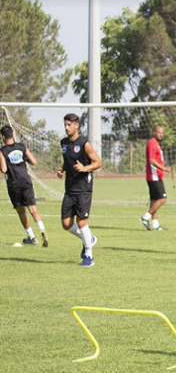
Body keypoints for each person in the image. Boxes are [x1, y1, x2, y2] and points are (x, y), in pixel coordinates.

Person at [57, 113, 102, 267]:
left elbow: (98, 162)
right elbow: (68, 159)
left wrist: (84, 168)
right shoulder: (63, 143)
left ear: (76, 125)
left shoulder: (85, 144)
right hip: (69, 189)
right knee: (66, 224)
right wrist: (62, 169)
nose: (66, 127)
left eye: (69, 125)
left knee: (81, 221)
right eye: (65, 125)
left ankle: (89, 257)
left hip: (83, 188)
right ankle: (89, 239)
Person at [0, 125, 49, 247]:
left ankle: (32, 237)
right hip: (26, 181)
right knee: (33, 209)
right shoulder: (22, 146)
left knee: (21, 212)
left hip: (14, 184)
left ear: (3, 137)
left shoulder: (2, 151)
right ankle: (42, 230)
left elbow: (4, 169)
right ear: (12, 134)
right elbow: (33, 161)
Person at [140, 124, 172, 231]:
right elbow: (151, 160)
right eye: (159, 132)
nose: (161, 134)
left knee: (154, 201)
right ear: (154, 132)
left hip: (156, 175)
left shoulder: (156, 143)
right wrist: (164, 168)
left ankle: (155, 225)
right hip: (153, 176)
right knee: (163, 198)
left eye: (162, 133)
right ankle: (145, 217)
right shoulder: (152, 143)